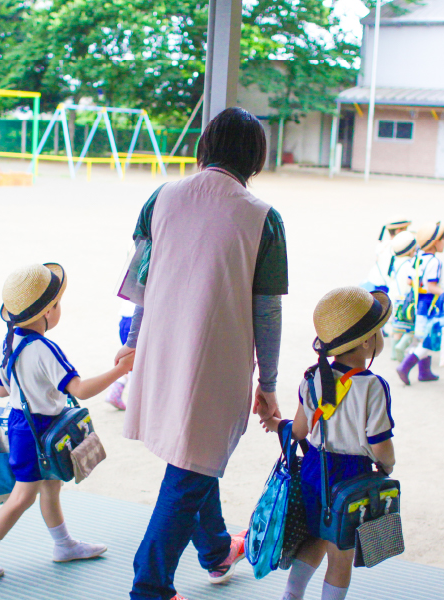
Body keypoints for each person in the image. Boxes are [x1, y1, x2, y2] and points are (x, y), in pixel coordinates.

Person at [117, 107, 289, 600]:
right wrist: (269, 384)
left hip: (161, 351)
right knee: (192, 468)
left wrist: (133, 343)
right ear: (256, 156)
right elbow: (267, 312)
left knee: (195, 456)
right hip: (217, 363)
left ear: (205, 145)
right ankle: (149, 586)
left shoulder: (161, 197)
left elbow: (140, 281)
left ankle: (215, 551)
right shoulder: (263, 219)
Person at [0, 262, 134, 580]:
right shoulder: (44, 349)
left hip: (20, 423)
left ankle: (64, 545)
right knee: (23, 495)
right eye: (58, 304)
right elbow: (79, 389)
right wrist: (121, 371)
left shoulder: (9, 341)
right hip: (41, 429)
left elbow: (0, 388)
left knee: (51, 486)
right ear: (48, 312)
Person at [263, 286, 396, 600]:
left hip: (314, 470)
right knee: (341, 553)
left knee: (317, 536)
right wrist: (387, 466)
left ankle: (291, 595)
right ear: (366, 341)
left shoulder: (311, 378)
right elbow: (380, 445)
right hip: (351, 477)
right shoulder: (373, 386)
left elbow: (298, 430)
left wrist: (273, 424)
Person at [396, 222, 444, 385]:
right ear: (436, 242)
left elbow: (409, 280)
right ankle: (405, 366)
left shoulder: (417, 258)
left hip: (418, 303)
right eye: (443, 239)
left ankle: (424, 371)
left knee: (422, 336)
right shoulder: (435, 262)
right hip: (431, 305)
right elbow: (432, 286)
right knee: (428, 339)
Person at [387, 231, 418, 361]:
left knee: (396, 328)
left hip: (394, 299)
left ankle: (394, 353)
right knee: (410, 328)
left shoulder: (396, 262)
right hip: (406, 301)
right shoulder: (409, 264)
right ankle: (401, 347)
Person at [364, 217, 412, 292]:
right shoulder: (398, 248)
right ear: (398, 231)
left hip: (374, 280)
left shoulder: (382, 245)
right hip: (384, 285)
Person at [104, 299, 135, 410]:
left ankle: (116, 389)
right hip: (138, 319)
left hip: (125, 319)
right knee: (138, 365)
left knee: (132, 363)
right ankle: (135, 404)